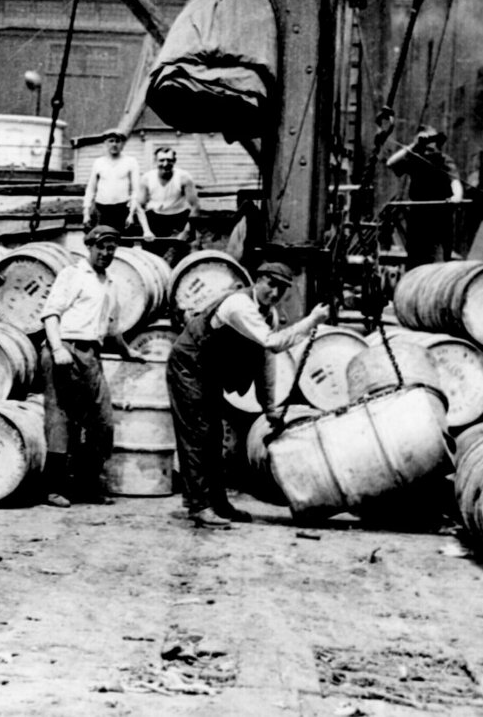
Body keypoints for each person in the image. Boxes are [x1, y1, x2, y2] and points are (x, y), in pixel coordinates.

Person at [166, 262, 329, 528]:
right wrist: (311, 321)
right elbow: (273, 344)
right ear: (258, 280)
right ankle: (199, 507)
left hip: (209, 370)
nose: (274, 293)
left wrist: (269, 408)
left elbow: (265, 362)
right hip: (189, 364)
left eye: (282, 289)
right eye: (271, 285)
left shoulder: (269, 315)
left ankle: (218, 503)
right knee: (198, 433)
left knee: (214, 435)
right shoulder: (239, 305)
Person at [40, 225, 142, 508]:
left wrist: (127, 352)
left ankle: (86, 485)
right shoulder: (72, 275)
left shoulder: (110, 284)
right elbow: (50, 314)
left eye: (112, 248)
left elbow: (111, 328)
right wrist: (58, 348)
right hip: (64, 349)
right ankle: (53, 488)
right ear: (90, 247)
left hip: (91, 354)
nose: (106, 253)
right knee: (60, 417)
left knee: (102, 421)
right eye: (102, 247)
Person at [386, 125, 465, 268]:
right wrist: (413, 145)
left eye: (431, 144)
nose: (428, 150)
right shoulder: (415, 160)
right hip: (418, 217)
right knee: (416, 259)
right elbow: (391, 163)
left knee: (439, 261)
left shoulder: (444, 161)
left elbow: (455, 183)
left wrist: (456, 197)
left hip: (441, 217)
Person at [134, 146, 201, 267]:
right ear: (156, 161)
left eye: (169, 160)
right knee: (151, 260)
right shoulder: (147, 178)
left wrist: (186, 231)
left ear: (174, 161)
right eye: (161, 160)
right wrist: (146, 230)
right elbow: (139, 205)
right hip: (156, 219)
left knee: (186, 258)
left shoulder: (184, 178)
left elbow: (195, 207)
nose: (165, 164)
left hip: (179, 218)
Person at [83, 130, 140, 233]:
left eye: (117, 141)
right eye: (111, 141)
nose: (114, 144)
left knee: (124, 242)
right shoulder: (98, 162)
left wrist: (131, 214)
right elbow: (91, 189)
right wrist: (86, 212)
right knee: (102, 239)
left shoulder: (131, 162)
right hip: (102, 209)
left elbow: (136, 190)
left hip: (122, 209)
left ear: (122, 144)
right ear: (105, 143)